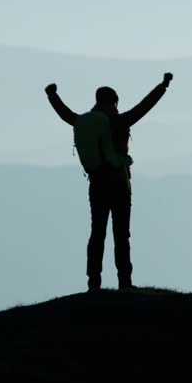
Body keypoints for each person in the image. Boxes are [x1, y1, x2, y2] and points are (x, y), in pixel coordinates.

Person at [45, 73, 173, 290]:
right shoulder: (118, 121)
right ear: (113, 102)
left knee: (97, 233)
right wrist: (163, 86)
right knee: (121, 234)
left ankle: (93, 281)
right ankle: (125, 281)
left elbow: (65, 114)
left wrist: (52, 95)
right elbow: (144, 106)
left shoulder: (82, 121)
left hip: (96, 184)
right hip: (119, 184)